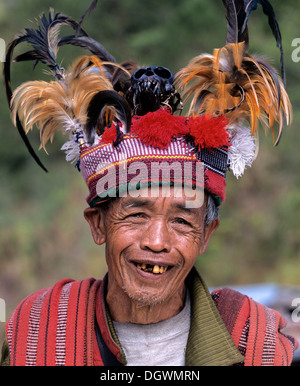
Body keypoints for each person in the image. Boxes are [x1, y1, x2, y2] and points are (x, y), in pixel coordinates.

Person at [1, 0, 298, 366]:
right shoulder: (39, 332)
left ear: (205, 235)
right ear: (98, 224)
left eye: (182, 220)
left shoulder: (257, 342)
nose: (157, 242)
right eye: (136, 215)